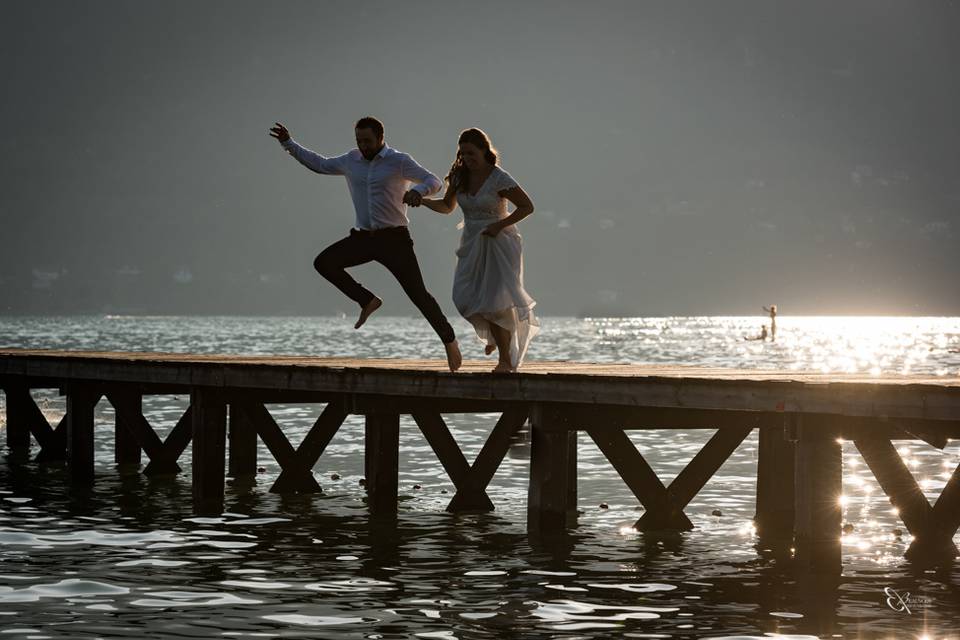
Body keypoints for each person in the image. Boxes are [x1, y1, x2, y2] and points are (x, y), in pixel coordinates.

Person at [269, 117, 462, 371]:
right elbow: (320, 164)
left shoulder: (398, 161)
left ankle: (449, 341)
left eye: (368, 141)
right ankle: (367, 299)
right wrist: (288, 143)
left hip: (394, 239)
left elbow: (434, 181)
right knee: (324, 263)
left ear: (381, 138)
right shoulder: (351, 160)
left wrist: (418, 192)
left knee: (418, 294)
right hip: (363, 238)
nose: (363, 146)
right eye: (359, 141)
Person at [417, 128, 538, 372]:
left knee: (495, 301)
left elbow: (527, 206)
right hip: (472, 241)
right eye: (463, 154)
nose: (467, 158)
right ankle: (495, 337)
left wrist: (499, 225)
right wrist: (423, 201)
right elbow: (447, 206)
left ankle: (504, 360)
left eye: (472, 153)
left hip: (499, 242)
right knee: (463, 296)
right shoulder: (460, 176)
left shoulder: (498, 178)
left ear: (485, 151)